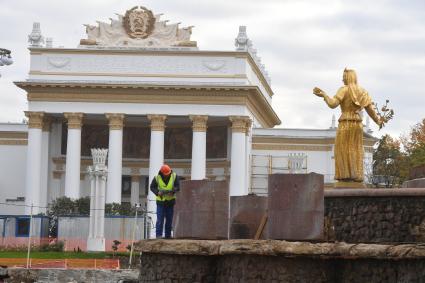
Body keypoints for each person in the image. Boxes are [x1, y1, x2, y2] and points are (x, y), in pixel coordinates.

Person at [313, 69, 383, 185]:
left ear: (348, 77)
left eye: (344, 76)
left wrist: (324, 95)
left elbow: (332, 104)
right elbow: (370, 110)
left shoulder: (343, 90)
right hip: (357, 124)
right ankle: (356, 176)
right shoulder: (363, 91)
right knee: (355, 148)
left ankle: (344, 175)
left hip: (345, 122)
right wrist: (379, 121)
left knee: (343, 148)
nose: (342, 79)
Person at [150, 164, 180, 238]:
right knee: (160, 219)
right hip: (161, 202)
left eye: (168, 174)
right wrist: (158, 192)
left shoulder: (174, 176)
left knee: (169, 220)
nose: (167, 175)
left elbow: (178, 187)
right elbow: (152, 187)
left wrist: (173, 191)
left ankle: (168, 236)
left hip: (170, 202)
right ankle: (158, 236)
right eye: (166, 174)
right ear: (162, 173)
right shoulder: (157, 178)